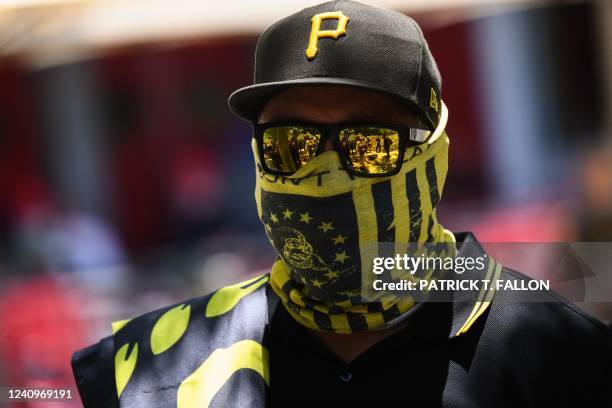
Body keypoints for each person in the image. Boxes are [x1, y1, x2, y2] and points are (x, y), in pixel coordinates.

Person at [71, 1, 611, 407]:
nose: (325, 172)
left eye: (367, 144)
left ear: (435, 154)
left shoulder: (563, 357)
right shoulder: (149, 368)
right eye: (291, 144)